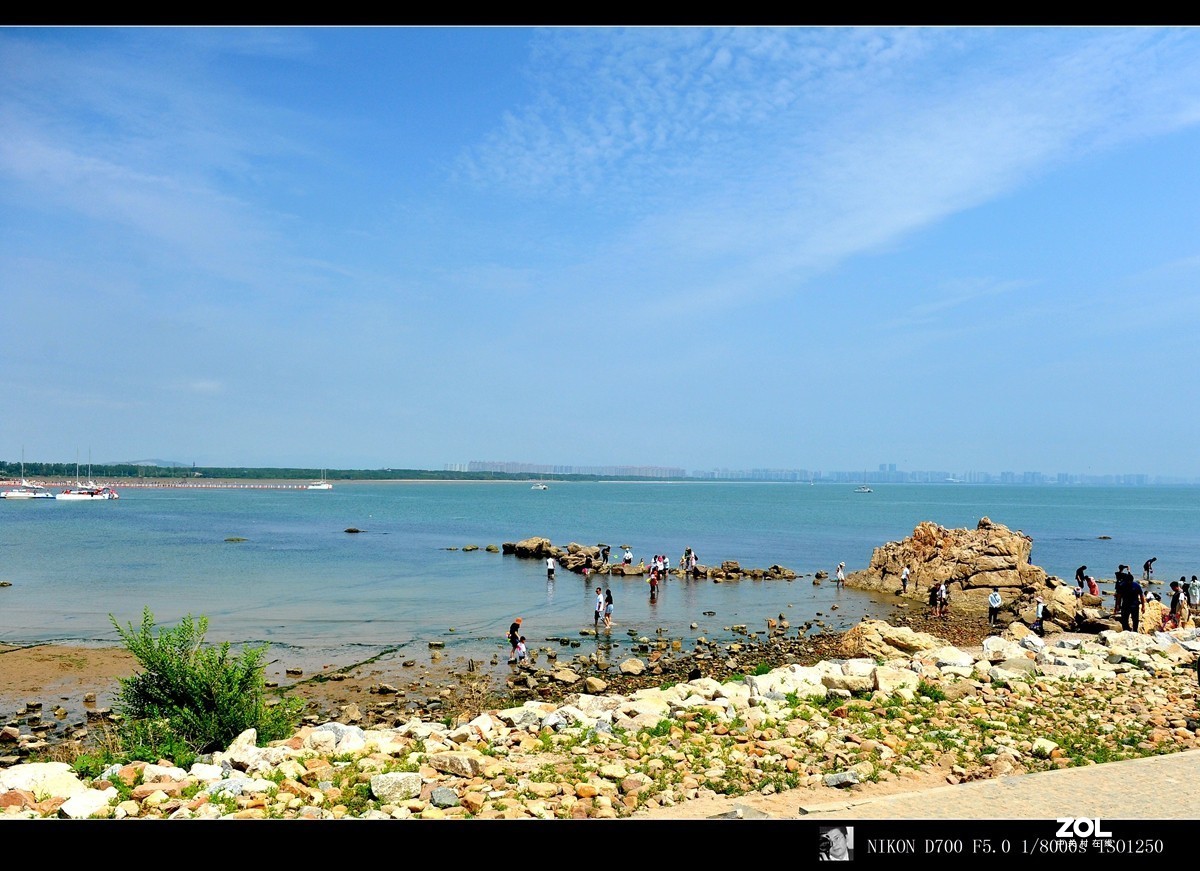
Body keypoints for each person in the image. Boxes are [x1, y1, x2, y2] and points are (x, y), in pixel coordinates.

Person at [1117, 566, 1146, 632]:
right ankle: (1126, 630)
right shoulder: (1122, 585)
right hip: (1125, 605)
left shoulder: (1136, 585)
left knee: (1135, 619)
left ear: (1132, 580)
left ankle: (1135, 630)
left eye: (1130, 581)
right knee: (1124, 619)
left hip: (1134, 605)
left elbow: (1141, 595)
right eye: (1128, 581)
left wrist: (1143, 606)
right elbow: (1119, 596)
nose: (1129, 582)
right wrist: (1117, 606)